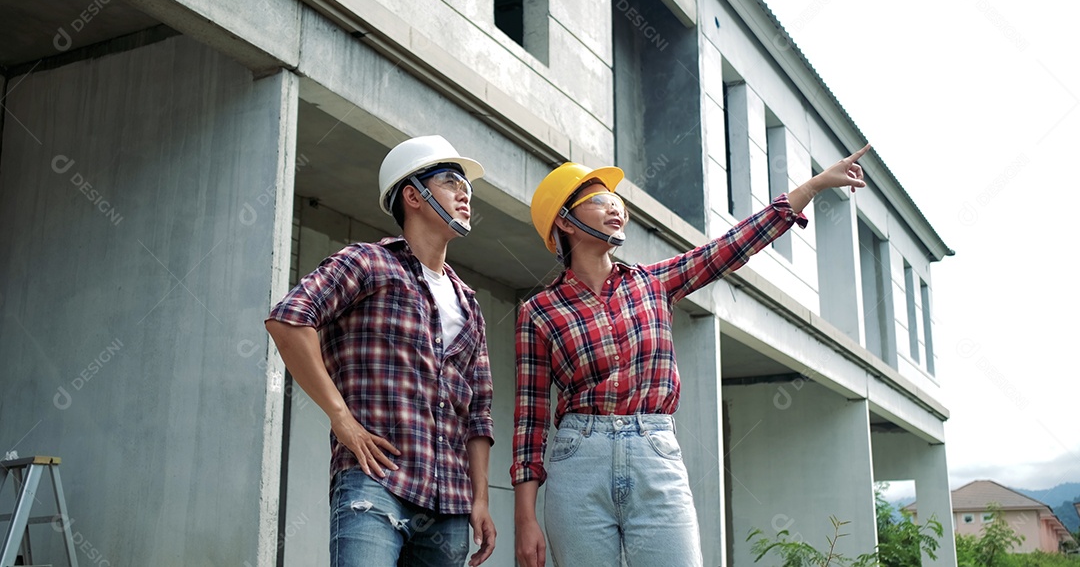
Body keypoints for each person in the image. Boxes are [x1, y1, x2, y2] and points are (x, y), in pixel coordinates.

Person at [511, 145, 872, 567]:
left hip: (655, 450)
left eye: (616, 200)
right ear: (563, 222)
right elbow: (530, 419)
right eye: (597, 200)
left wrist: (811, 187)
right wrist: (525, 518)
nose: (615, 208)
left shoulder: (652, 283)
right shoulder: (538, 312)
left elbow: (726, 249)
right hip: (577, 463)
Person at [266, 135, 497, 567]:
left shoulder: (469, 302)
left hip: (449, 502)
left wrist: (480, 499)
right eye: (451, 181)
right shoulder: (368, 262)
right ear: (413, 195)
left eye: (467, 185)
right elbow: (289, 319)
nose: (465, 192)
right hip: (374, 483)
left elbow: (479, 411)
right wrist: (342, 419)